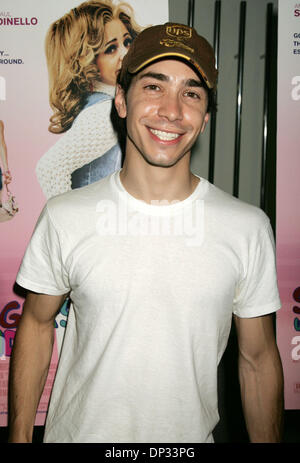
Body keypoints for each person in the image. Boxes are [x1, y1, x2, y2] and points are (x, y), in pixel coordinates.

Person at [9, 22, 284, 443]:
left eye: (191, 93)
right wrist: (19, 437)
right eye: (154, 87)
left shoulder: (247, 228)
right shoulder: (66, 216)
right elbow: (36, 323)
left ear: (206, 117)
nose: (172, 111)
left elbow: (258, 358)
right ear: (121, 100)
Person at [36, 0, 142, 199]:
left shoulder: (104, 103)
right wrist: (70, 223)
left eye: (127, 42)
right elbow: (50, 168)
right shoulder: (105, 112)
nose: (126, 53)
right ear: (86, 62)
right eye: (111, 49)